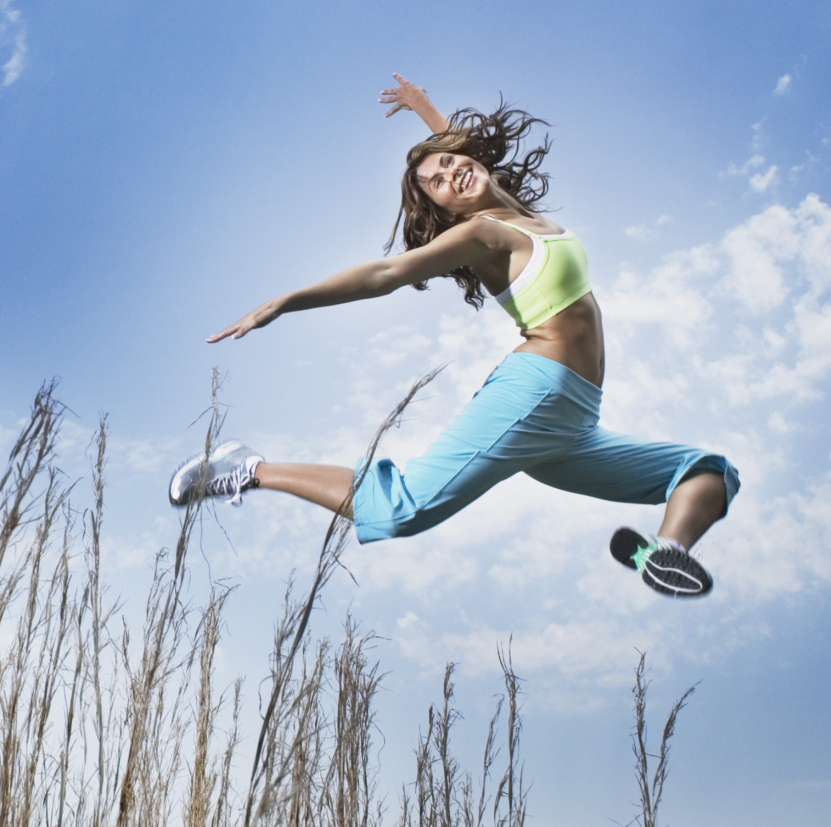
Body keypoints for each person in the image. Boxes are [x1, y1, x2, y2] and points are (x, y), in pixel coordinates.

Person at [167, 75, 737, 598]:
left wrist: (426, 112)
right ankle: (247, 468)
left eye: (449, 163)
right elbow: (386, 274)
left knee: (708, 472)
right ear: (442, 207)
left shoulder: (519, 213)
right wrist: (288, 301)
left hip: (574, 420)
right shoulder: (484, 233)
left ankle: (665, 554)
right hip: (535, 395)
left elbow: (460, 156)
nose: (450, 174)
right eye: (436, 182)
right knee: (401, 510)